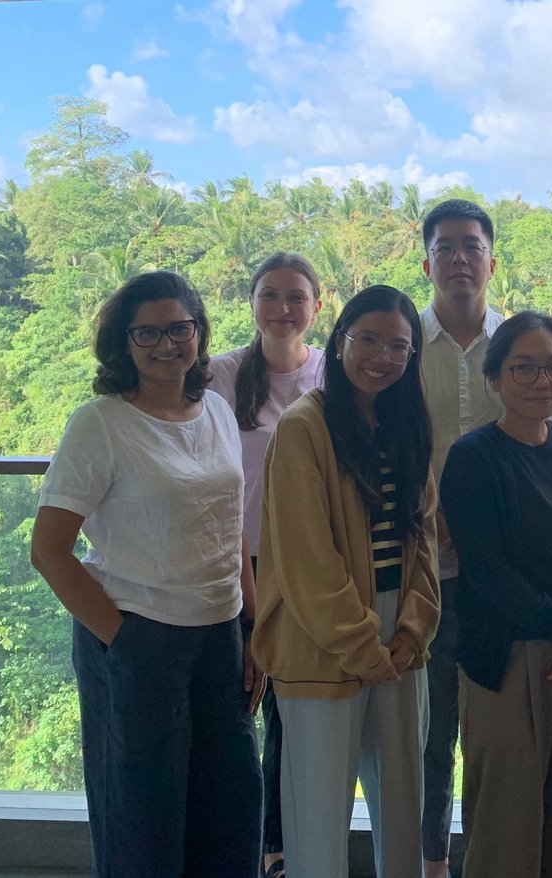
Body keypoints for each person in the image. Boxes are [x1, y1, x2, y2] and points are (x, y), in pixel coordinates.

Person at [30, 271, 263, 877]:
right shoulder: (100, 423)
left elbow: (228, 520)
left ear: (198, 331)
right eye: (148, 332)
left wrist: (253, 623)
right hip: (139, 635)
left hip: (220, 633)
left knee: (231, 809)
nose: (167, 344)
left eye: (179, 328)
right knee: (143, 820)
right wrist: (123, 639)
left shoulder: (213, 406)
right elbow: (50, 550)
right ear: (124, 342)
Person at [251, 284, 440, 877]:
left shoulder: (409, 421)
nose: (382, 356)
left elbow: (427, 536)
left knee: (402, 807)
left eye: (399, 347)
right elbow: (306, 558)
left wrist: (413, 630)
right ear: (338, 343)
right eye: (369, 340)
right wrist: (363, 647)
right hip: (322, 636)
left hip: (400, 640)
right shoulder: (305, 425)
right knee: (317, 813)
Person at [440, 311, 552, 878]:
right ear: (494, 377)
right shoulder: (473, 457)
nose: (542, 381)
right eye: (524, 368)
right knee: (505, 828)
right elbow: (487, 572)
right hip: (509, 658)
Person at [207, 251, 325, 878]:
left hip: (302, 564)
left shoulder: (332, 374)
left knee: (289, 710)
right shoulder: (219, 377)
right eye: (271, 295)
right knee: (237, 704)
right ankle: (237, 845)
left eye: (296, 297)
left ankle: (277, 849)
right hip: (231, 560)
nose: (283, 309)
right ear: (251, 302)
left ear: (317, 305)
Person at [418, 198, 505, 878]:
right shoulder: (403, 343)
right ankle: (430, 860)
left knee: (496, 727)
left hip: (501, 568)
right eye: (445, 247)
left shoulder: (517, 344)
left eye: (470, 246)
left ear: (491, 260)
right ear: (427, 262)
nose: (458, 258)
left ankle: (488, 854)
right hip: (424, 564)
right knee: (430, 729)